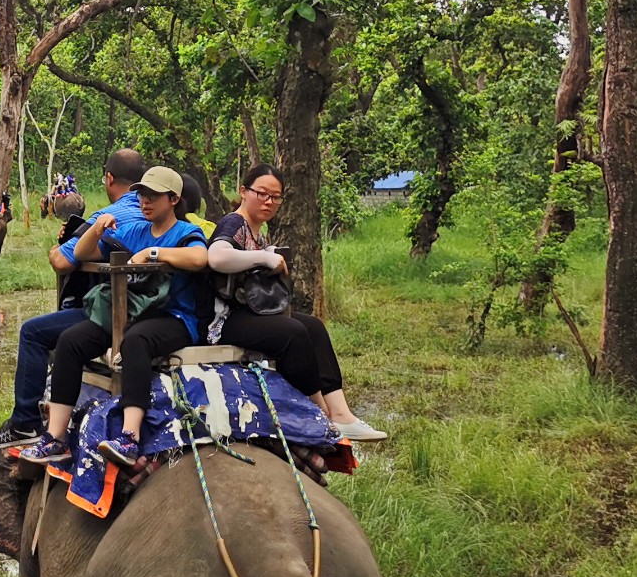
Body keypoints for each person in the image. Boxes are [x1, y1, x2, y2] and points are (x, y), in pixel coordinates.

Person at [22, 166, 211, 468]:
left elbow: (200, 257)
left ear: (174, 199)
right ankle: (55, 437)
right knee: (71, 340)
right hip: (130, 314)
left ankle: (129, 437)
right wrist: (96, 229)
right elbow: (84, 254)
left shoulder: (186, 232)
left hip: (172, 318)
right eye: (142, 195)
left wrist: (154, 253)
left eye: (153, 196)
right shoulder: (134, 230)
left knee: (135, 341)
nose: (145, 202)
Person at [206, 163, 386, 442]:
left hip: (250, 313)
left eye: (275, 197)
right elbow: (217, 257)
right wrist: (264, 257)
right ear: (243, 191)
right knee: (293, 333)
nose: (268, 201)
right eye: (262, 193)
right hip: (225, 319)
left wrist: (265, 250)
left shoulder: (257, 230)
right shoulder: (234, 223)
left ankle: (342, 413)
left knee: (313, 326)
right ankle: (320, 411)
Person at [0, 150, 148, 449]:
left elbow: (60, 261)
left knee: (32, 332)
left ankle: (24, 423)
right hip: (157, 318)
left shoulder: (113, 217)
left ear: (109, 179)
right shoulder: (158, 216)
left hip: (115, 315)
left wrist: (71, 240)